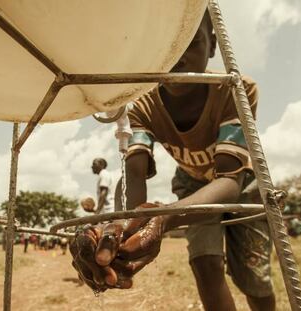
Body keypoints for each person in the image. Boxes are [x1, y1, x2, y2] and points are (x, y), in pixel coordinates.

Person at [71, 11, 275, 311]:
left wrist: (164, 217)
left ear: (213, 45)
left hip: (244, 184)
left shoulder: (235, 89)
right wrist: (121, 225)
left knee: (254, 278)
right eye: (168, 46)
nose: (177, 55)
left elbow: (230, 181)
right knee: (205, 266)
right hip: (192, 185)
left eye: (192, 42)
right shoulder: (143, 104)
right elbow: (134, 174)